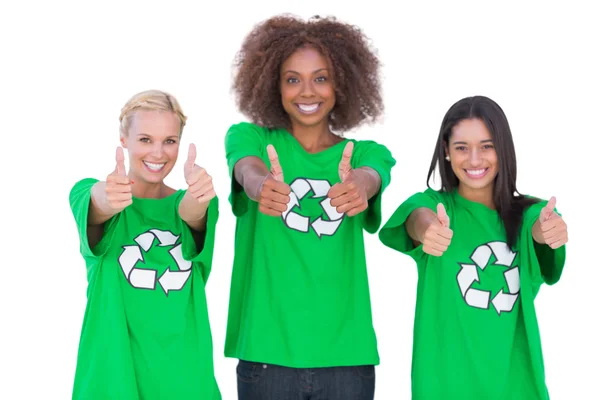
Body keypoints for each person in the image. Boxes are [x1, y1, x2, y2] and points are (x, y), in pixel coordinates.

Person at [223, 14, 396, 400]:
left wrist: (361, 185)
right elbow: (245, 166)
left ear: (342, 83)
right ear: (273, 84)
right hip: (267, 356)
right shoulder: (250, 137)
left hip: (347, 359)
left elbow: (374, 172)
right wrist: (259, 184)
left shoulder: (364, 154)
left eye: (321, 77)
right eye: (292, 79)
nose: (307, 92)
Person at [379, 95, 568, 400]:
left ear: (502, 149)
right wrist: (428, 229)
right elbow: (417, 218)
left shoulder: (530, 213)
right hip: (444, 387)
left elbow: (540, 225)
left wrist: (547, 230)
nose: (475, 160)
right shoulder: (434, 206)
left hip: (516, 389)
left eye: (487, 146)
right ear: (447, 152)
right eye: (462, 148)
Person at [69, 90, 221, 399]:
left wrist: (198, 193)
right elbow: (98, 204)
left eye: (169, 141)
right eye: (145, 140)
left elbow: (192, 212)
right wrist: (108, 196)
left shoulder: (197, 203)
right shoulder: (89, 194)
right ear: (123, 139)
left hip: (186, 382)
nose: (158, 153)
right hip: (112, 381)